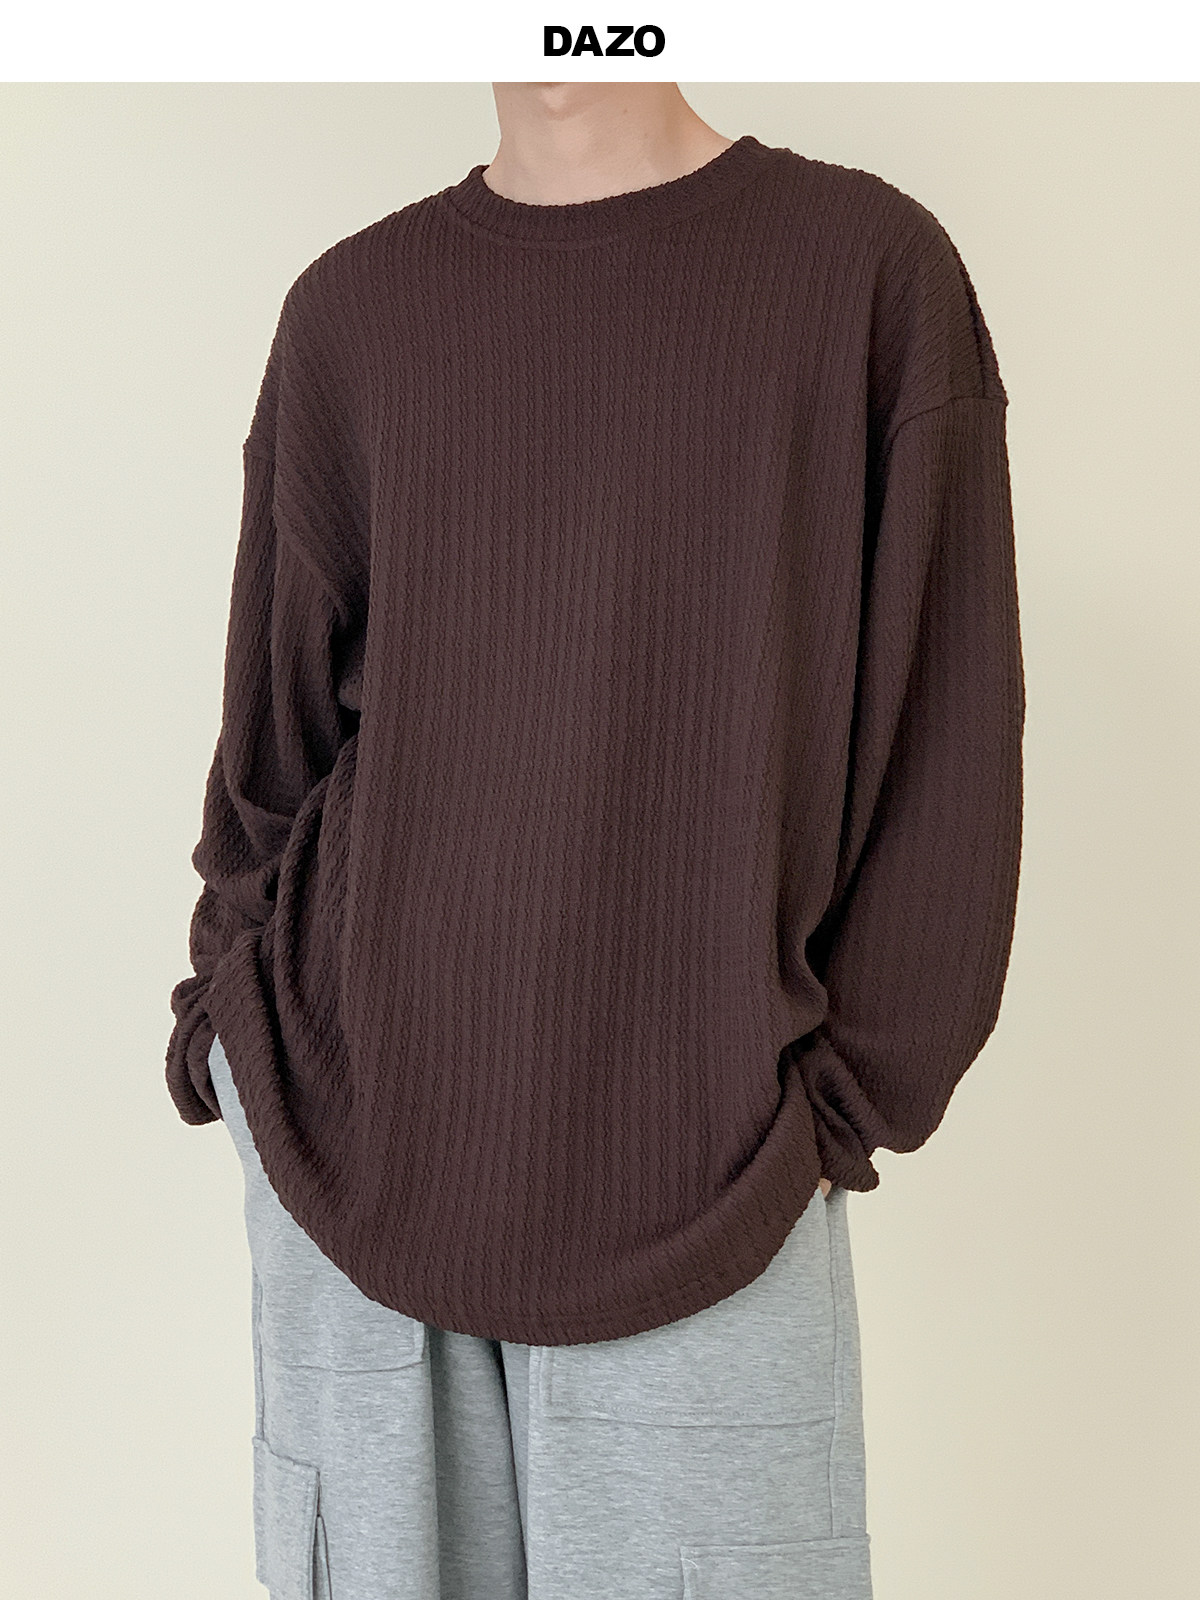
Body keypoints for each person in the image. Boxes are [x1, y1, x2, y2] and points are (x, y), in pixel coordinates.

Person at [168, 80, 1024, 1600]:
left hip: (709, 1176)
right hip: (349, 1155)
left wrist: (835, 1114)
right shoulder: (354, 312)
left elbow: (944, 742)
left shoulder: (866, 276)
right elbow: (270, 763)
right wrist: (231, 1033)